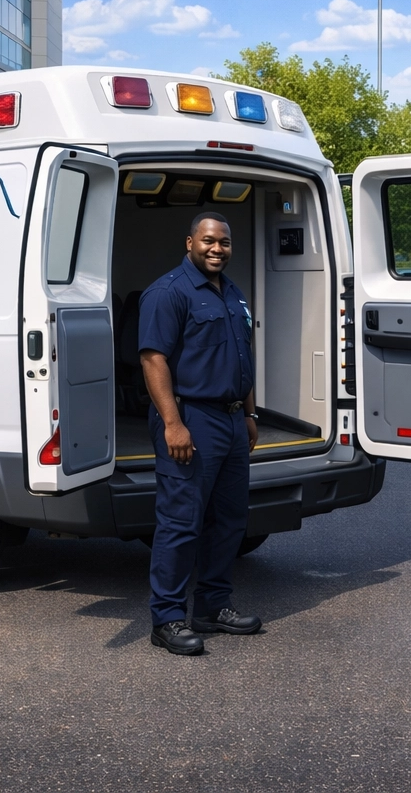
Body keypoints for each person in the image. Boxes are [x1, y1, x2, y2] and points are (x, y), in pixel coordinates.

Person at [138, 211, 261, 656]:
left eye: (224, 242)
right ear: (189, 242)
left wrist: (249, 414)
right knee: (181, 524)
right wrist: (173, 423)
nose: (217, 248)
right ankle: (167, 618)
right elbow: (154, 360)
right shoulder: (169, 292)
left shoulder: (233, 293)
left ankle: (212, 606)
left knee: (229, 521)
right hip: (191, 419)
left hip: (231, 420)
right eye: (209, 240)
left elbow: (243, 355)